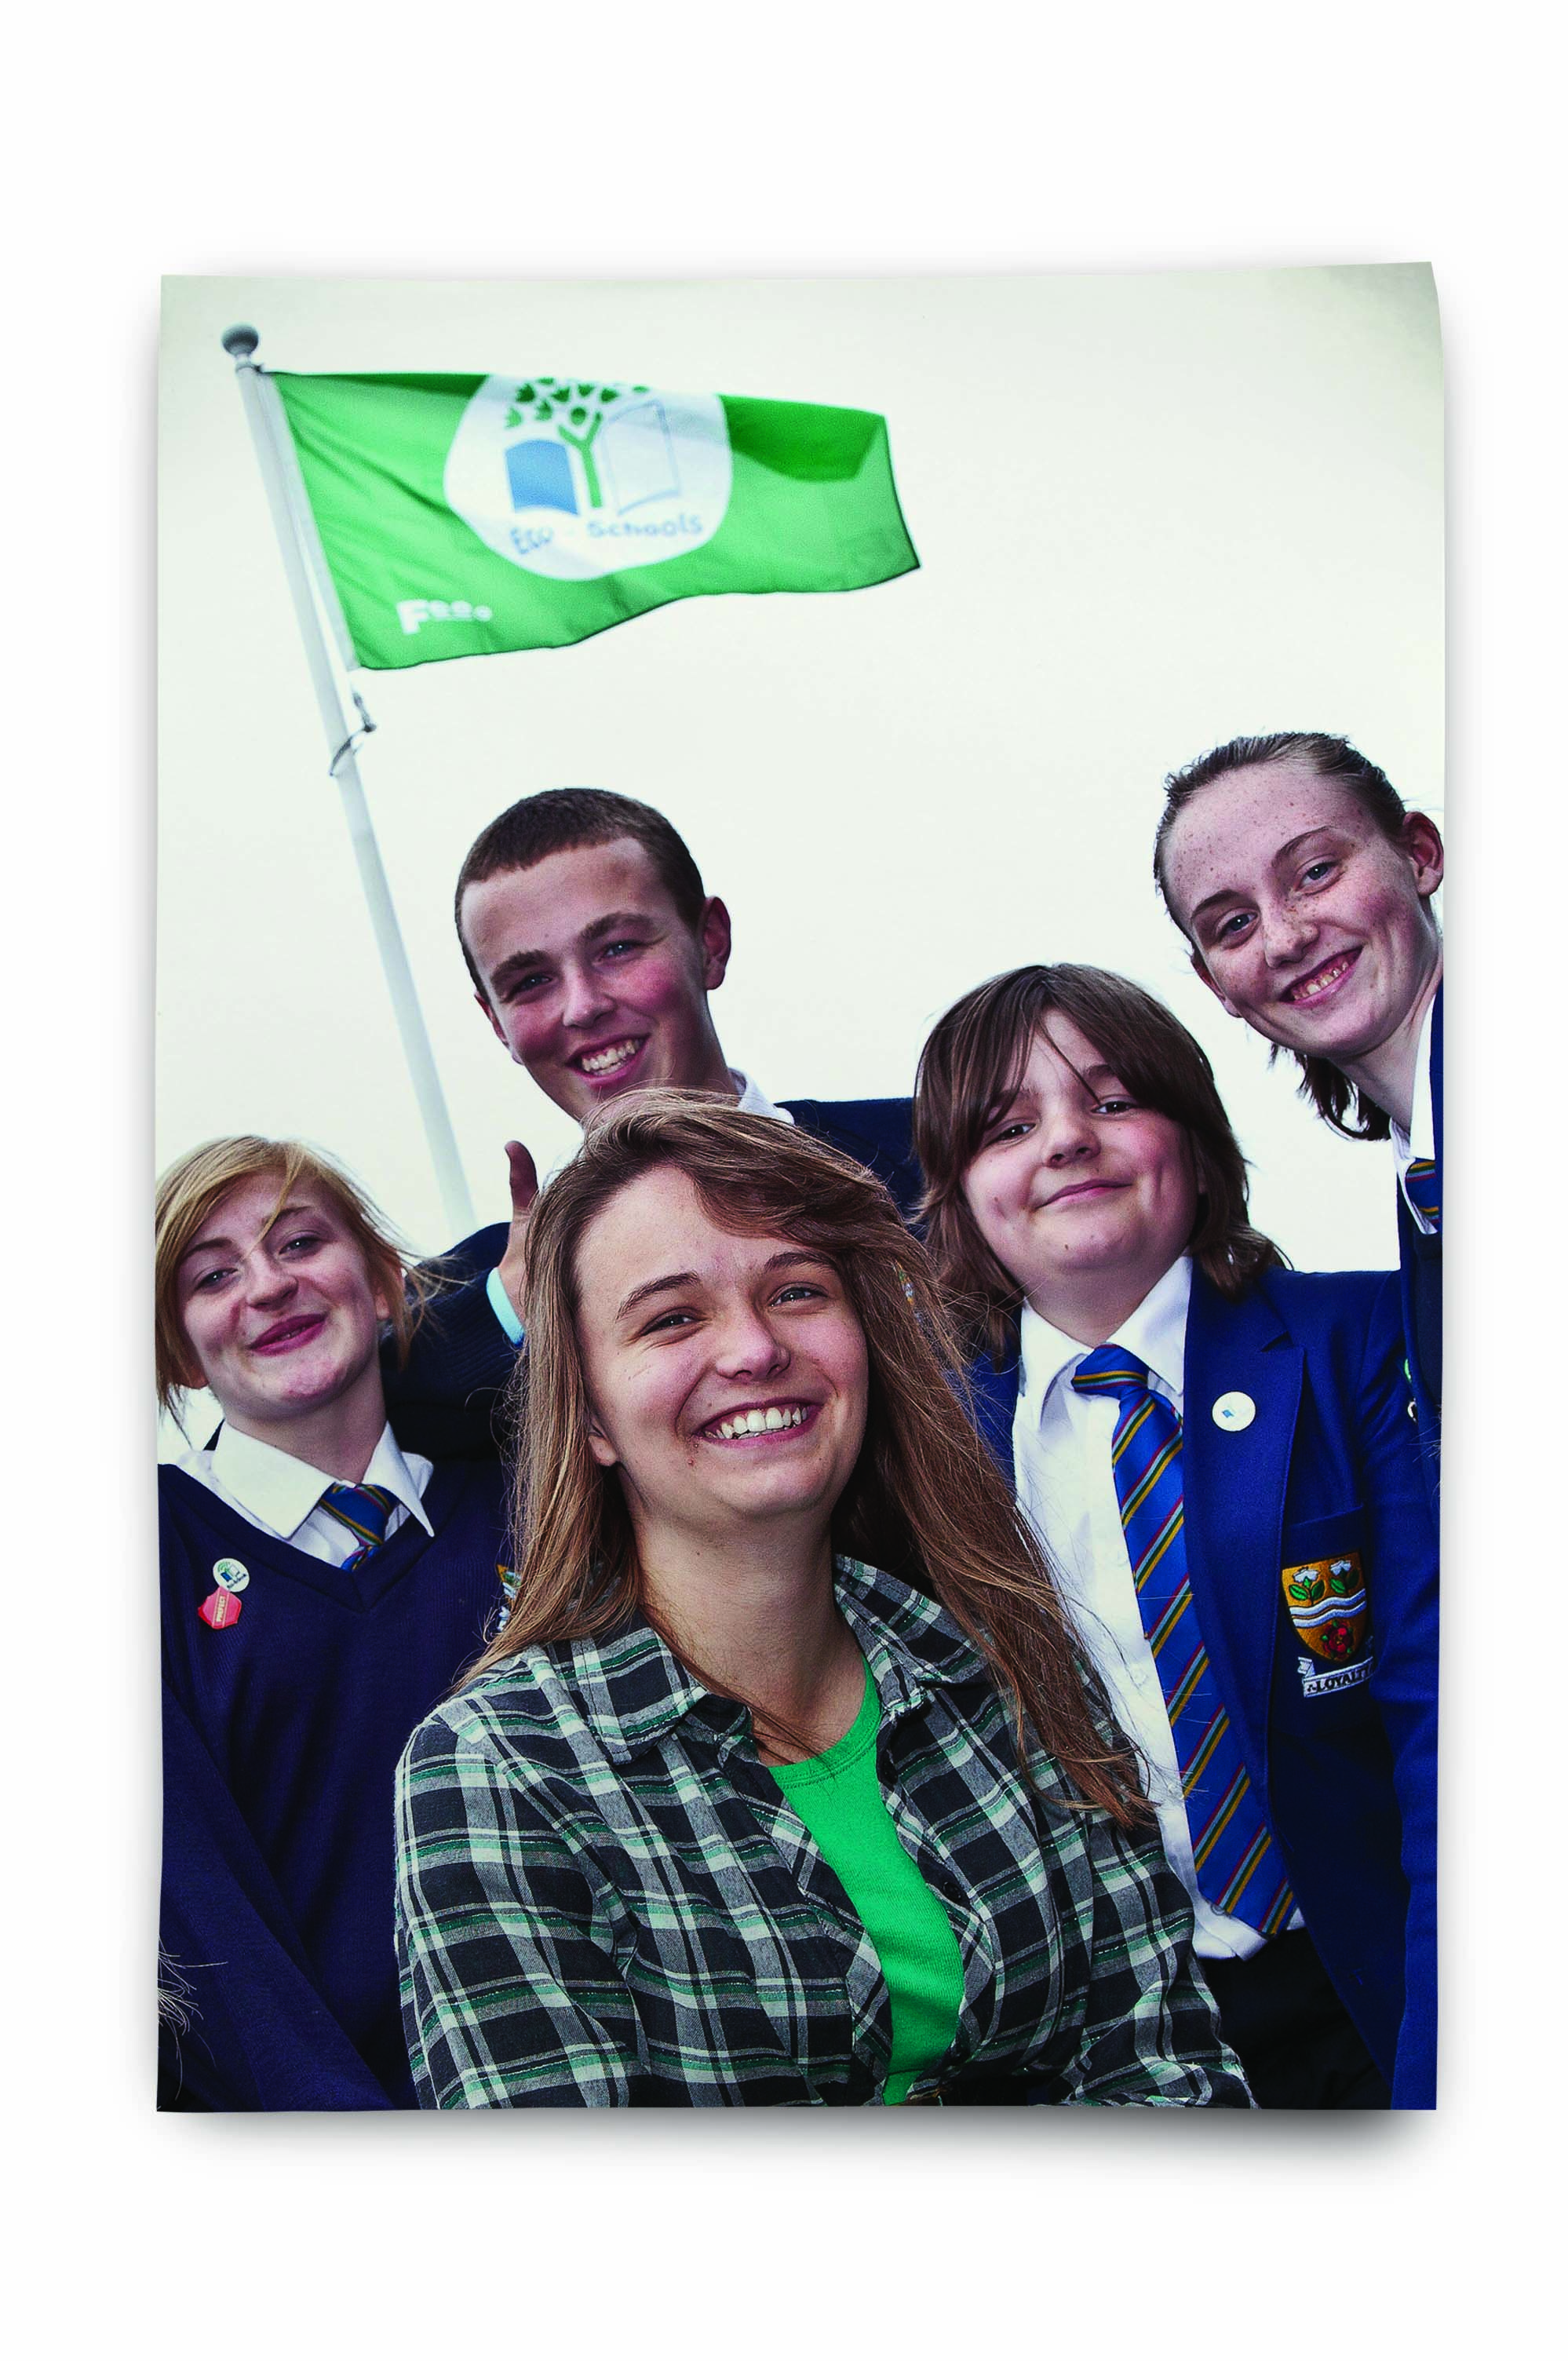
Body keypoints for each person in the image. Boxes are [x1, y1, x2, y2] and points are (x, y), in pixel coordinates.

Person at [393, 1094, 1251, 2109]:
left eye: (796, 1291)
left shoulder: (1003, 1658)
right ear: (589, 1417)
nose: (752, 1350)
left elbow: (1165, 2061)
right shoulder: (498, 1770)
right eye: (671, 1318)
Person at [913, 965, 1439, 2108]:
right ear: (957, 1196)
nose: (1064, 1141)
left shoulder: (1359, 1340)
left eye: (1111, 1102)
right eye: (1007, 1126)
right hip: (1136, 2027)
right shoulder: (930, 1453)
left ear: (1197, 1149)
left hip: (1389, 1978)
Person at [387, 788, 921, 1458]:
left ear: (711, 942)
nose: (581, 1006)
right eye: (529, 983)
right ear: (494, 1022)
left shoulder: (925, 1153)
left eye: (615, 948)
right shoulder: (483, 1288)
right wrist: (524, 1307)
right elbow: (369, 1420)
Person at [157, 1136, 512, 2110]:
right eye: (214, 1273)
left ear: (387, 1281)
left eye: (300, 1243)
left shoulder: (533, 1495)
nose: (267, 1286)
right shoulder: (139, 1549)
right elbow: (192, 1905)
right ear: (180, 1350)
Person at [1151, 732, 1443, 1507]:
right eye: (1233, 924)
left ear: (1419, 853)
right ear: (1213, 980)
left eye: (1315, 872)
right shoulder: (1426, 1174)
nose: (1286, 937)